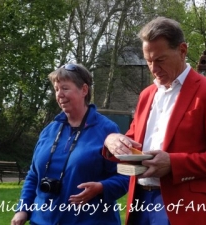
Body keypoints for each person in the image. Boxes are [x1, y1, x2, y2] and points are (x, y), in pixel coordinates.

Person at [103, 17, 206, 225]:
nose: (153, 69)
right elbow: (133, 141)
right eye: (148, 61)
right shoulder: (146, 95)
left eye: (160, 60)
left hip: (185, 208)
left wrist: (174, 163)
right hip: (140, 203)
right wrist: (112, 141)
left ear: (182, 51)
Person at [11, 63, 129, 225]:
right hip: (42, 221)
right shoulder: (49, 131)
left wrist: (102, 187)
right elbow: (33, 175)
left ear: (84, 90)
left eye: (65, 88)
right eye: (56, 89)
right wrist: (23, 209)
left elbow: (125, 176)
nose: (59, 94)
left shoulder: (107, 130)